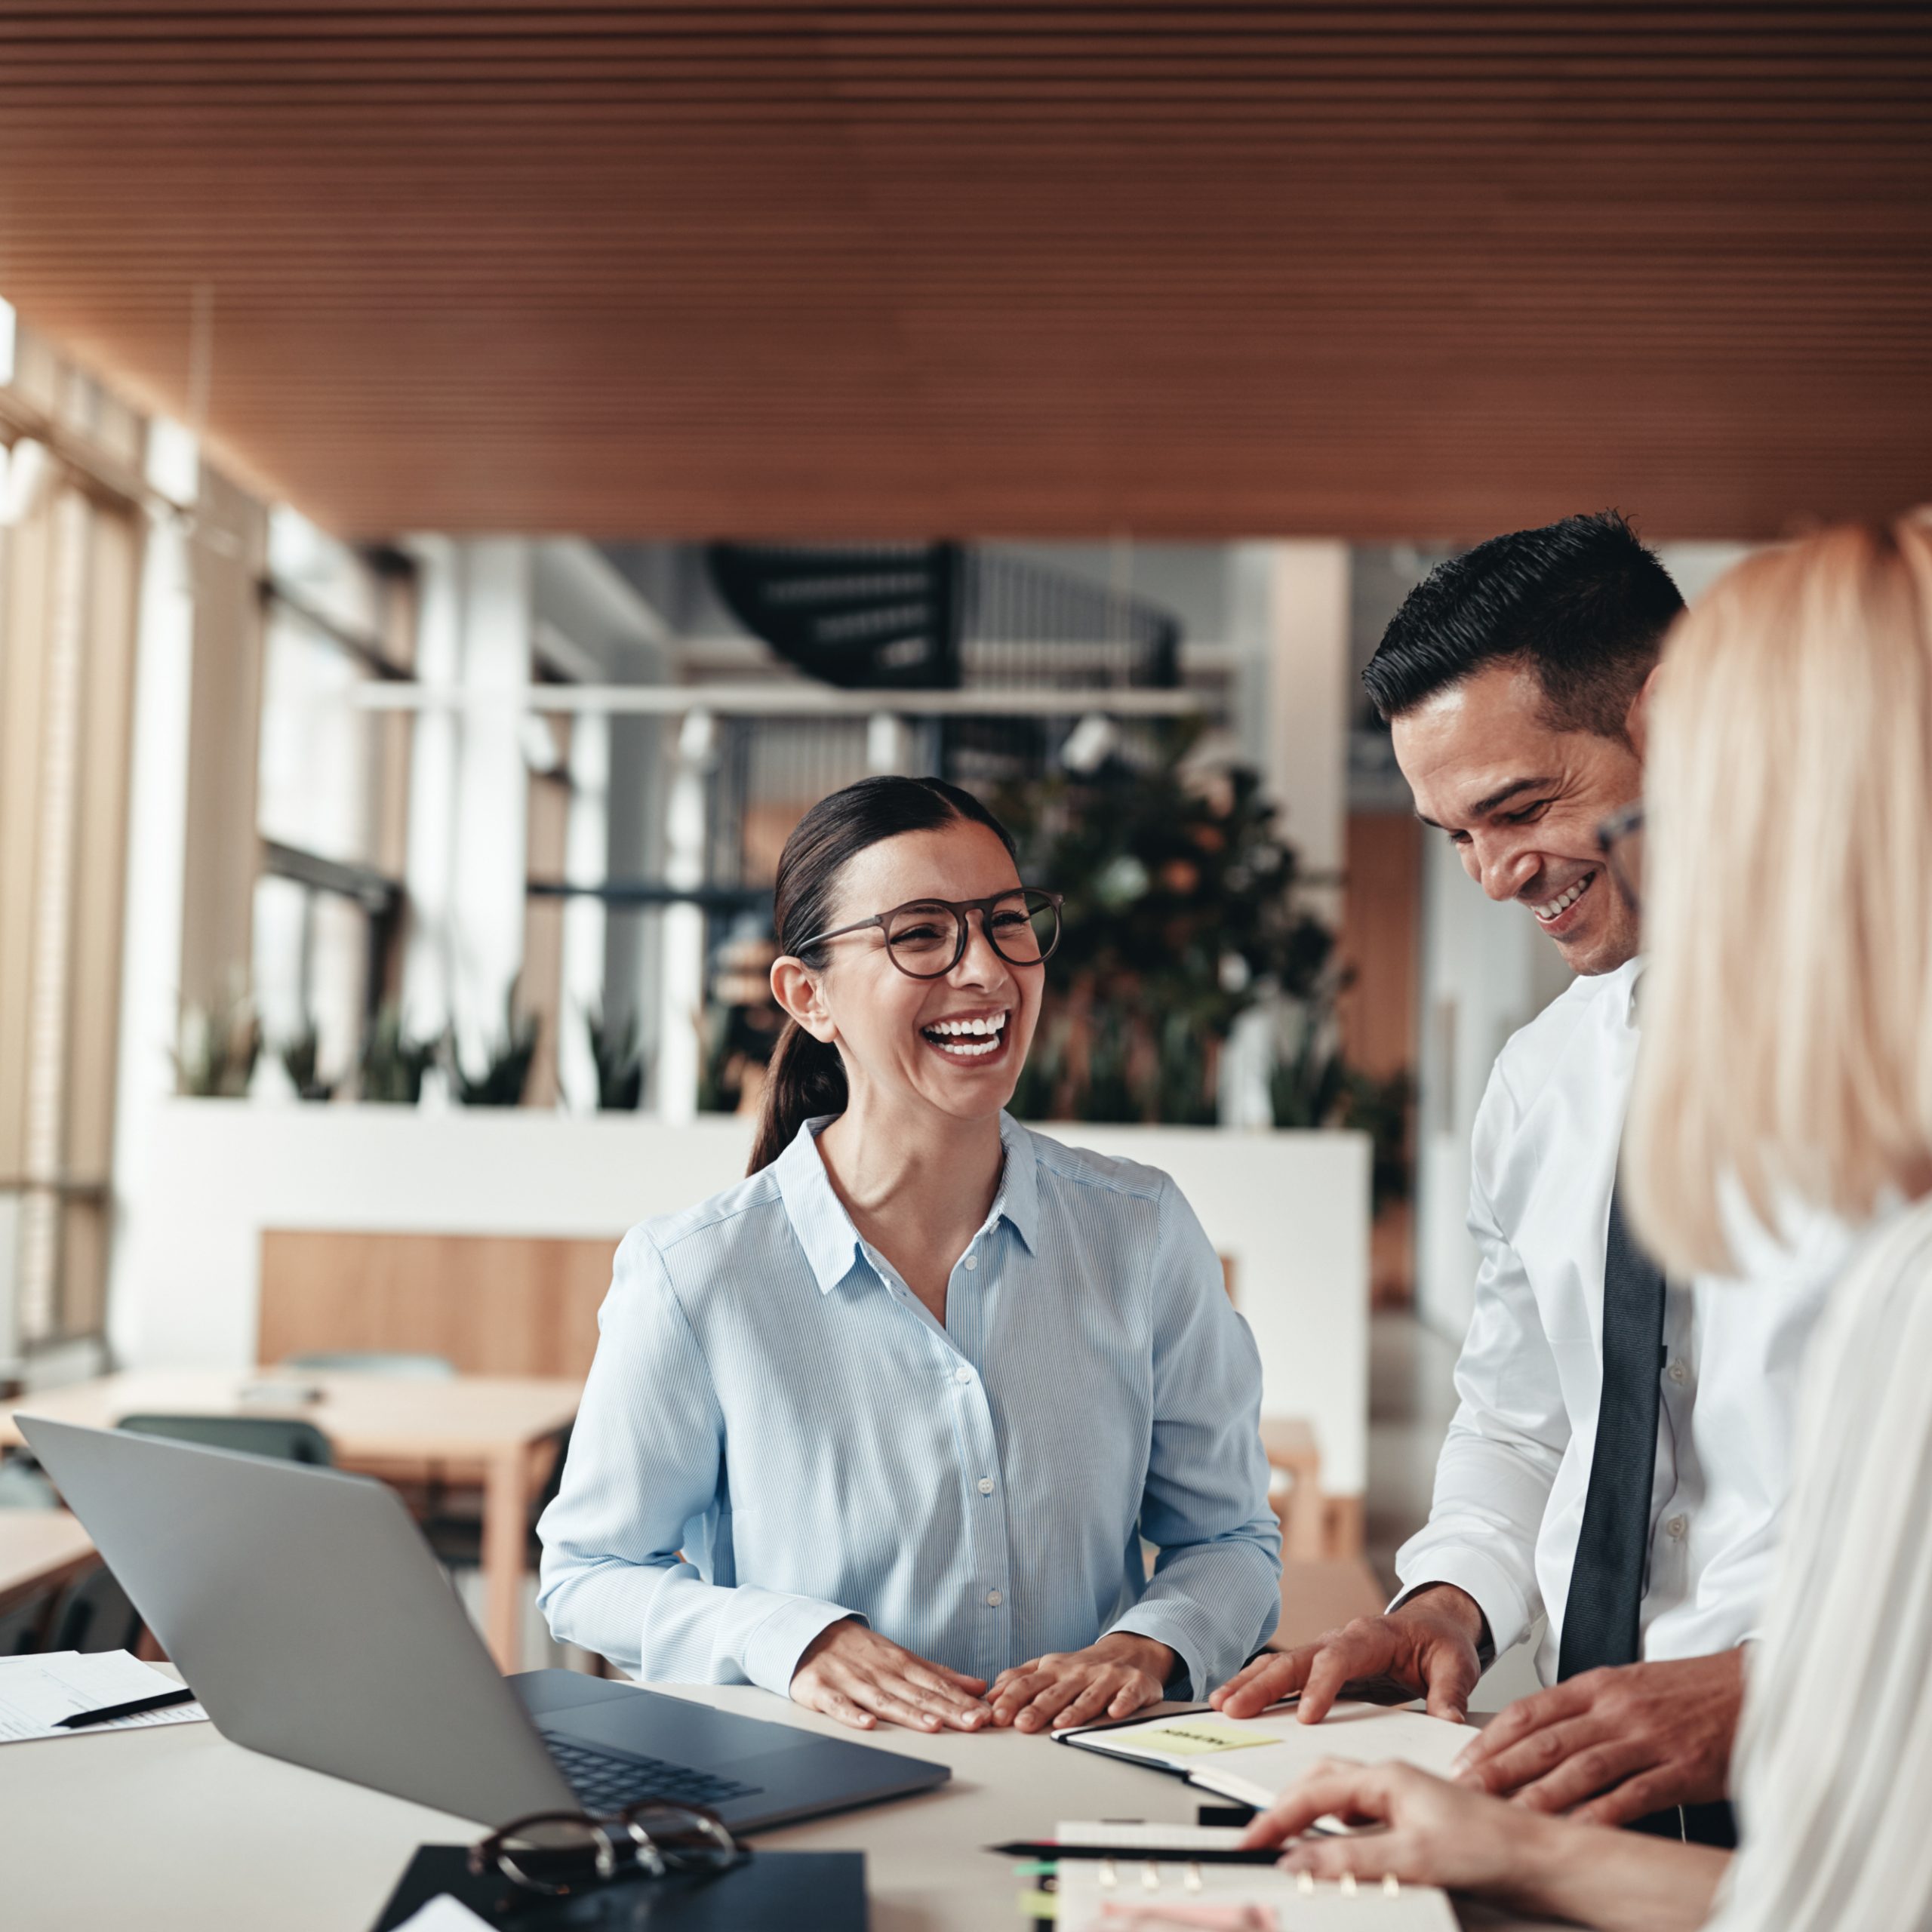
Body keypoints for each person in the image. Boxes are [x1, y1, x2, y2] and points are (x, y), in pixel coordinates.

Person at [1236, 516, 1932, 1931]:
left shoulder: (1891, 1061)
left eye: (1523, 807)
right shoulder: (1546, 1078)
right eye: (1456, 837)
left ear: (1680, 728)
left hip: (1849, 1749)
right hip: (1576, 1754)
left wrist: (1773, 1687)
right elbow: (1522, 1413)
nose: (1495, 874)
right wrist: (1448, 1601)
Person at [537, 774, 1281, 1737]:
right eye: (921, 933)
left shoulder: (1140, 1231)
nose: (985, 971)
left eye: (1007, 922)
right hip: (814, 1788)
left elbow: (1227, 1538)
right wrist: (791, 1639)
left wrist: (1145, 1647)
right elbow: (588, 1575)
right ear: (808, 996)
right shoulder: (698, 1275)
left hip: (1090, 1780)